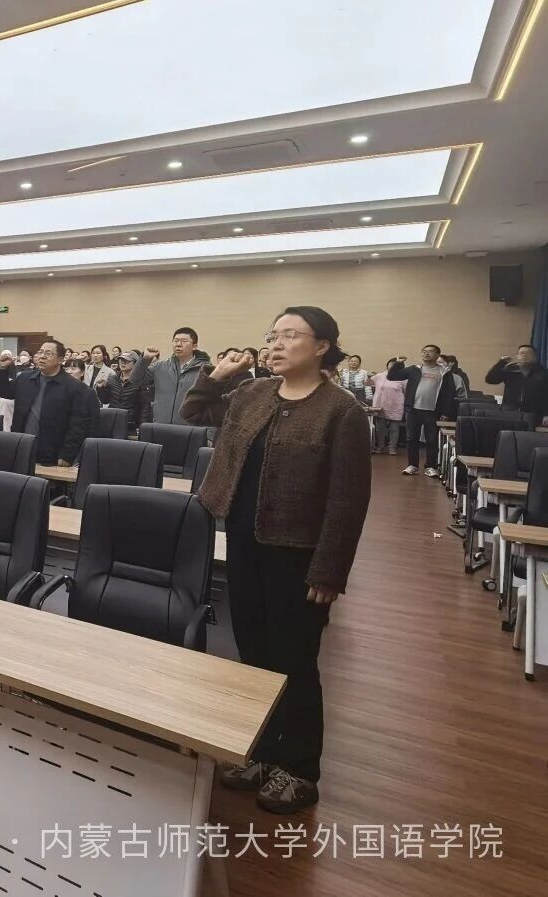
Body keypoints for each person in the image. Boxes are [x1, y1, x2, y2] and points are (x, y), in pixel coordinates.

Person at [182, 306, 371, 815]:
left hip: (299, 556)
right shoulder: (252, 393)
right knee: (254, 653)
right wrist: (215, 376)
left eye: (291, 335)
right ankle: (261, 753)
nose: (277, 344)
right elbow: (193, 413)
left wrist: (330, 570)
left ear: (323, 346)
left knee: (295, 661)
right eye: (273, 335)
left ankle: (300, 768)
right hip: (244, 544)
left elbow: (348, 500)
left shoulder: (341, 411)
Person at [0, 339, 96, 466]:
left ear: (60, 360)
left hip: (53, 453)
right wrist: (2, 369)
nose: (42, 356)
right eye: (41, 352)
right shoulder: (25, 378)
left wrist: (67, 454)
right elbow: (3, 391)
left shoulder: (75, 388)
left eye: (48, 353)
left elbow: (78, 425)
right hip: (21, 445)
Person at [387, 345, 457, 477]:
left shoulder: (444, 372)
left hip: (433, 411)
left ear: (437, 355)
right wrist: (398, 364)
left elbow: (449, 393)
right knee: (411, 438)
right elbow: (392, 376)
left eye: (430, 351)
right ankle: (412, 465)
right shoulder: (414, 369)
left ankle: (430, 466)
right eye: (424, 351)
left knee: (431, 440)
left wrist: (445, 412)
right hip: (413, 410)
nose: (426, 354)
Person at [139, 327, 212, 425]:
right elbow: (135, 380)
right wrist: (144, 359)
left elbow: (211, 404)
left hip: (190, 429)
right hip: (160, 426)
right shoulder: (160, 366)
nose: (178, 344)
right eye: (176, 341)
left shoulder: (205, 370)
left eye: (184, 341)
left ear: (194, 346)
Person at [485, 345, 548, 420]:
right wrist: (501, 363)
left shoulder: (543, 373)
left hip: (533, 414)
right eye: (522, 353)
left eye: (528, 353)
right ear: (517, 356)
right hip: (509, 412)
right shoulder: (510, 370)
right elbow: (490, 379)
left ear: (534, 356)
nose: (524, 355)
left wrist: (546, 414)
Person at [104, 348, 150, 434]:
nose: (122, 363)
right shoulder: (112, 379)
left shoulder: (140, 381)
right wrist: (100, 389)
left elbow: (145, 407)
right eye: (121, 360)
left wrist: (142, 426)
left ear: (135, 363)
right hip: (112, 421)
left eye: (127, 361)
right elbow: (105, 400)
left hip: (130, 424)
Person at [369, 358, 406, 455]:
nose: (392, 366)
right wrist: (368, 377)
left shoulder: (403, 378)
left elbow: (407, 391)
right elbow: (367, 383)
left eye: (395, 364)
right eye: (391, 364)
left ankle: (392, 448)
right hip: (380, 405)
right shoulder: (380, 376)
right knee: (380, 428)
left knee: (394, 428)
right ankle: (380, 446)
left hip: (396, 405)